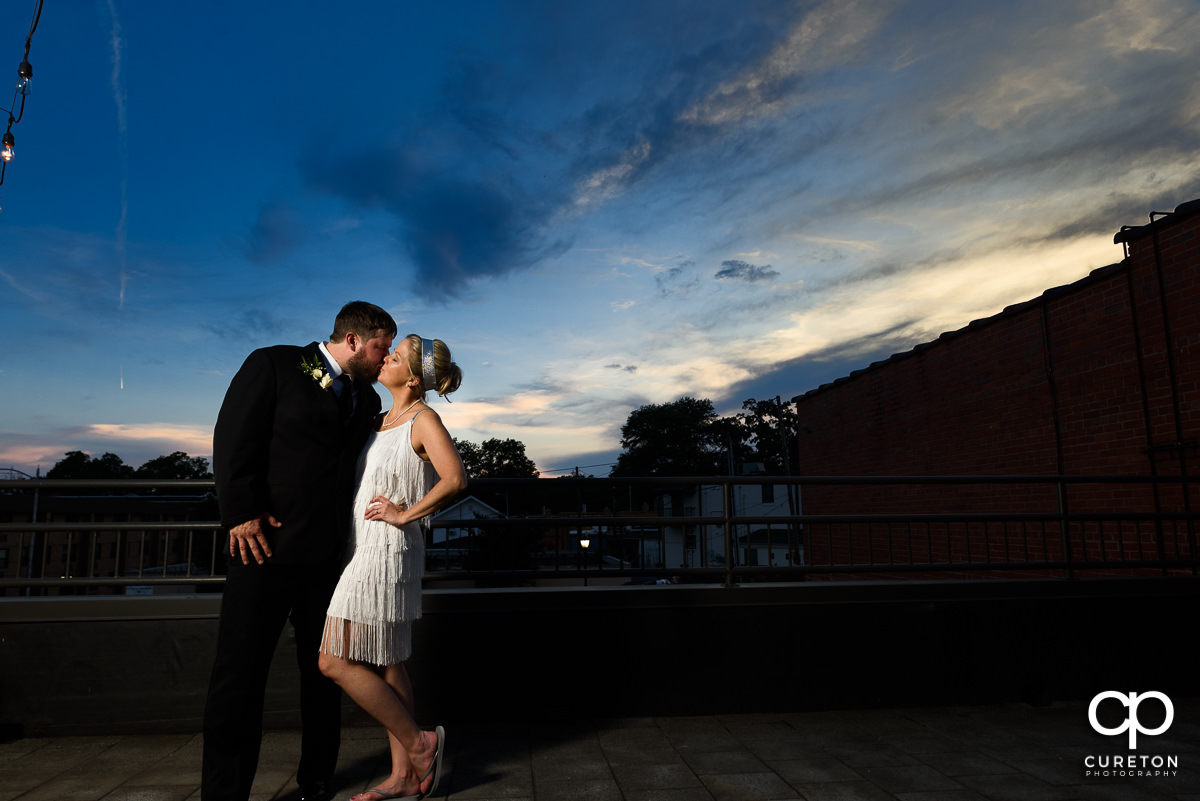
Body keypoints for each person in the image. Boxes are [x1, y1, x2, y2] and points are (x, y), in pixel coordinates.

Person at [203, 301, 397, 801]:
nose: (386, 357)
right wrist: (240, 512)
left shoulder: (368, 400)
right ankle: (224, 794)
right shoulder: (275, 364)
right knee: (239, 678)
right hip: (261, 551)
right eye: (381, 346)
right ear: (353, 340)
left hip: (329, 560)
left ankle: (317, 779)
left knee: (325, 677)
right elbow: (232, 439)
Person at [318, 335, 466, 801]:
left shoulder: (424, 419)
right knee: (388, 661)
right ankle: (403, 780)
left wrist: (405, 514)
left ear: (414, 377)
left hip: (387, 550)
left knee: (333, 661)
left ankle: (421, 744)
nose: (386, 359)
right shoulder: (382, 419)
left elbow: (457, 479)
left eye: (396, 357)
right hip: (362, 546)